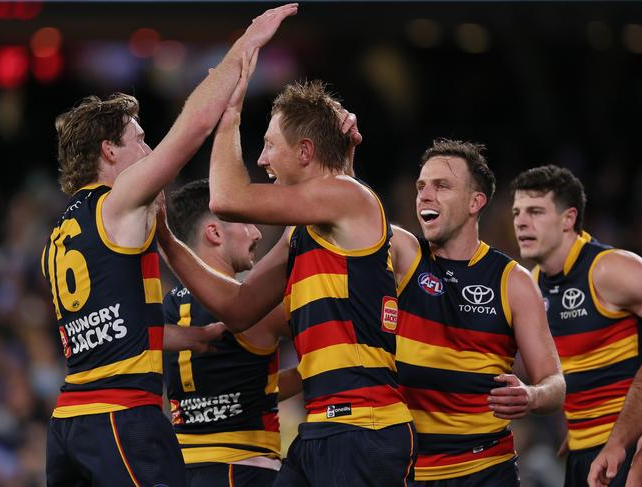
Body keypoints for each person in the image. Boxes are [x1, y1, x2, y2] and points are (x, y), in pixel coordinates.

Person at [40, 5, 297, 486]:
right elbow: (194, 127)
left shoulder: (61, 230)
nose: (150, 152)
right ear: (107, 152)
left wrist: (187, 338)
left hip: (69, 420)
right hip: (120, 416)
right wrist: (245, 46)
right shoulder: (118, 204)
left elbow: (111, 328)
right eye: (139, 141)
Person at [156, 67, 415, 485]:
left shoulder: (350, 197)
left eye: (269, 145)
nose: (261, 159)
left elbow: (225, 198)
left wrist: (230, 113)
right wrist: (166, 239)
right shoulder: (303, 230)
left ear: (305, 151)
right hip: (320, 430)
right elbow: (239, 308)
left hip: (362, 426)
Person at [390, 139, 564, 486]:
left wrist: (530, 395)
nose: (425, 195)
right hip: (408, 472)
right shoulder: (404, 254)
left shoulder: (513, 281)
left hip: (486, 471)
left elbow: (555, 384)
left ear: (475, 202)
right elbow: (351, 212)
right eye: (421, 186)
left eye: (442, 186)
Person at [162, 179, 302, 487]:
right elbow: (330, 336)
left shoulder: (166, 309)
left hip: (181, 472)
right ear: (214, 233)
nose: (257, 233)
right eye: (247, 223)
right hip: (245, 471)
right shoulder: (256, 309)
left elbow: (246, 392)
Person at [510, 164, 642, 487]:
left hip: (622, 454)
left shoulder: (607, 269)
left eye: (536, 211)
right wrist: (583, 424)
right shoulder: (535, 284)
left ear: (568, 219)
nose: (521, 222)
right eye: (516, 212)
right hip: (585, 453)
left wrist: (622, 439)